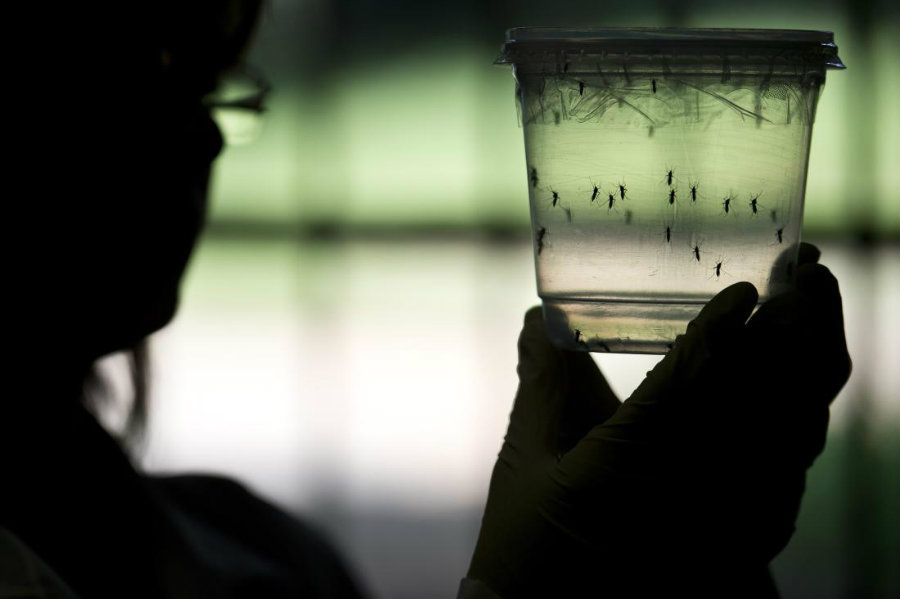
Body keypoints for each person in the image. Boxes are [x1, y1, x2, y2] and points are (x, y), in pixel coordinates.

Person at [4, 1, 851, 597]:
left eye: (206, 81)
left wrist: (689, 565)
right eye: (133, 64)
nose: (200, 133)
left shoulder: (273, 559)